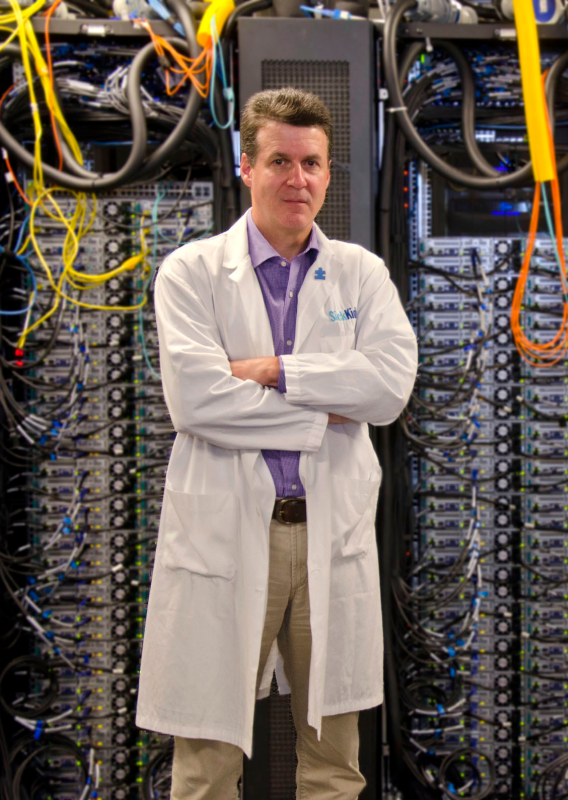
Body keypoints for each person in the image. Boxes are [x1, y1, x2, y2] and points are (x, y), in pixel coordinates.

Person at [135, 87, 418, 800]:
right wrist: (323, 411)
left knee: (334, 760)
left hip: (329, 533)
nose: (298, 180)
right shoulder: (192, 272)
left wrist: (272, 372)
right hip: (229, 534)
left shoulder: (360, 273)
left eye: (312, 163)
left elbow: (388, 389)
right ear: (247, 166)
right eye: (280, 162)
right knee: (206, 764)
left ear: (327, 172)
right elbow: (195, 401)